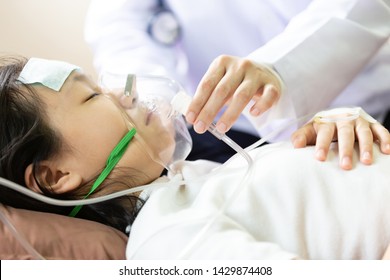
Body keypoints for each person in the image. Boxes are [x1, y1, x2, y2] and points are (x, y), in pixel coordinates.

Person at [1, 56, 390, 259]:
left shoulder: (195, 181)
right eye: (92, 96)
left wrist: (336, 132)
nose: (124, 92)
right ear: (55, 177)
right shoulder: (167, 241)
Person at [85, 0, 390, 163]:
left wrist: (280, 67)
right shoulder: (195, 173)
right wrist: (153, 96)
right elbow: (120, 24)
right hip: (231, 126)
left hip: (368, 92)